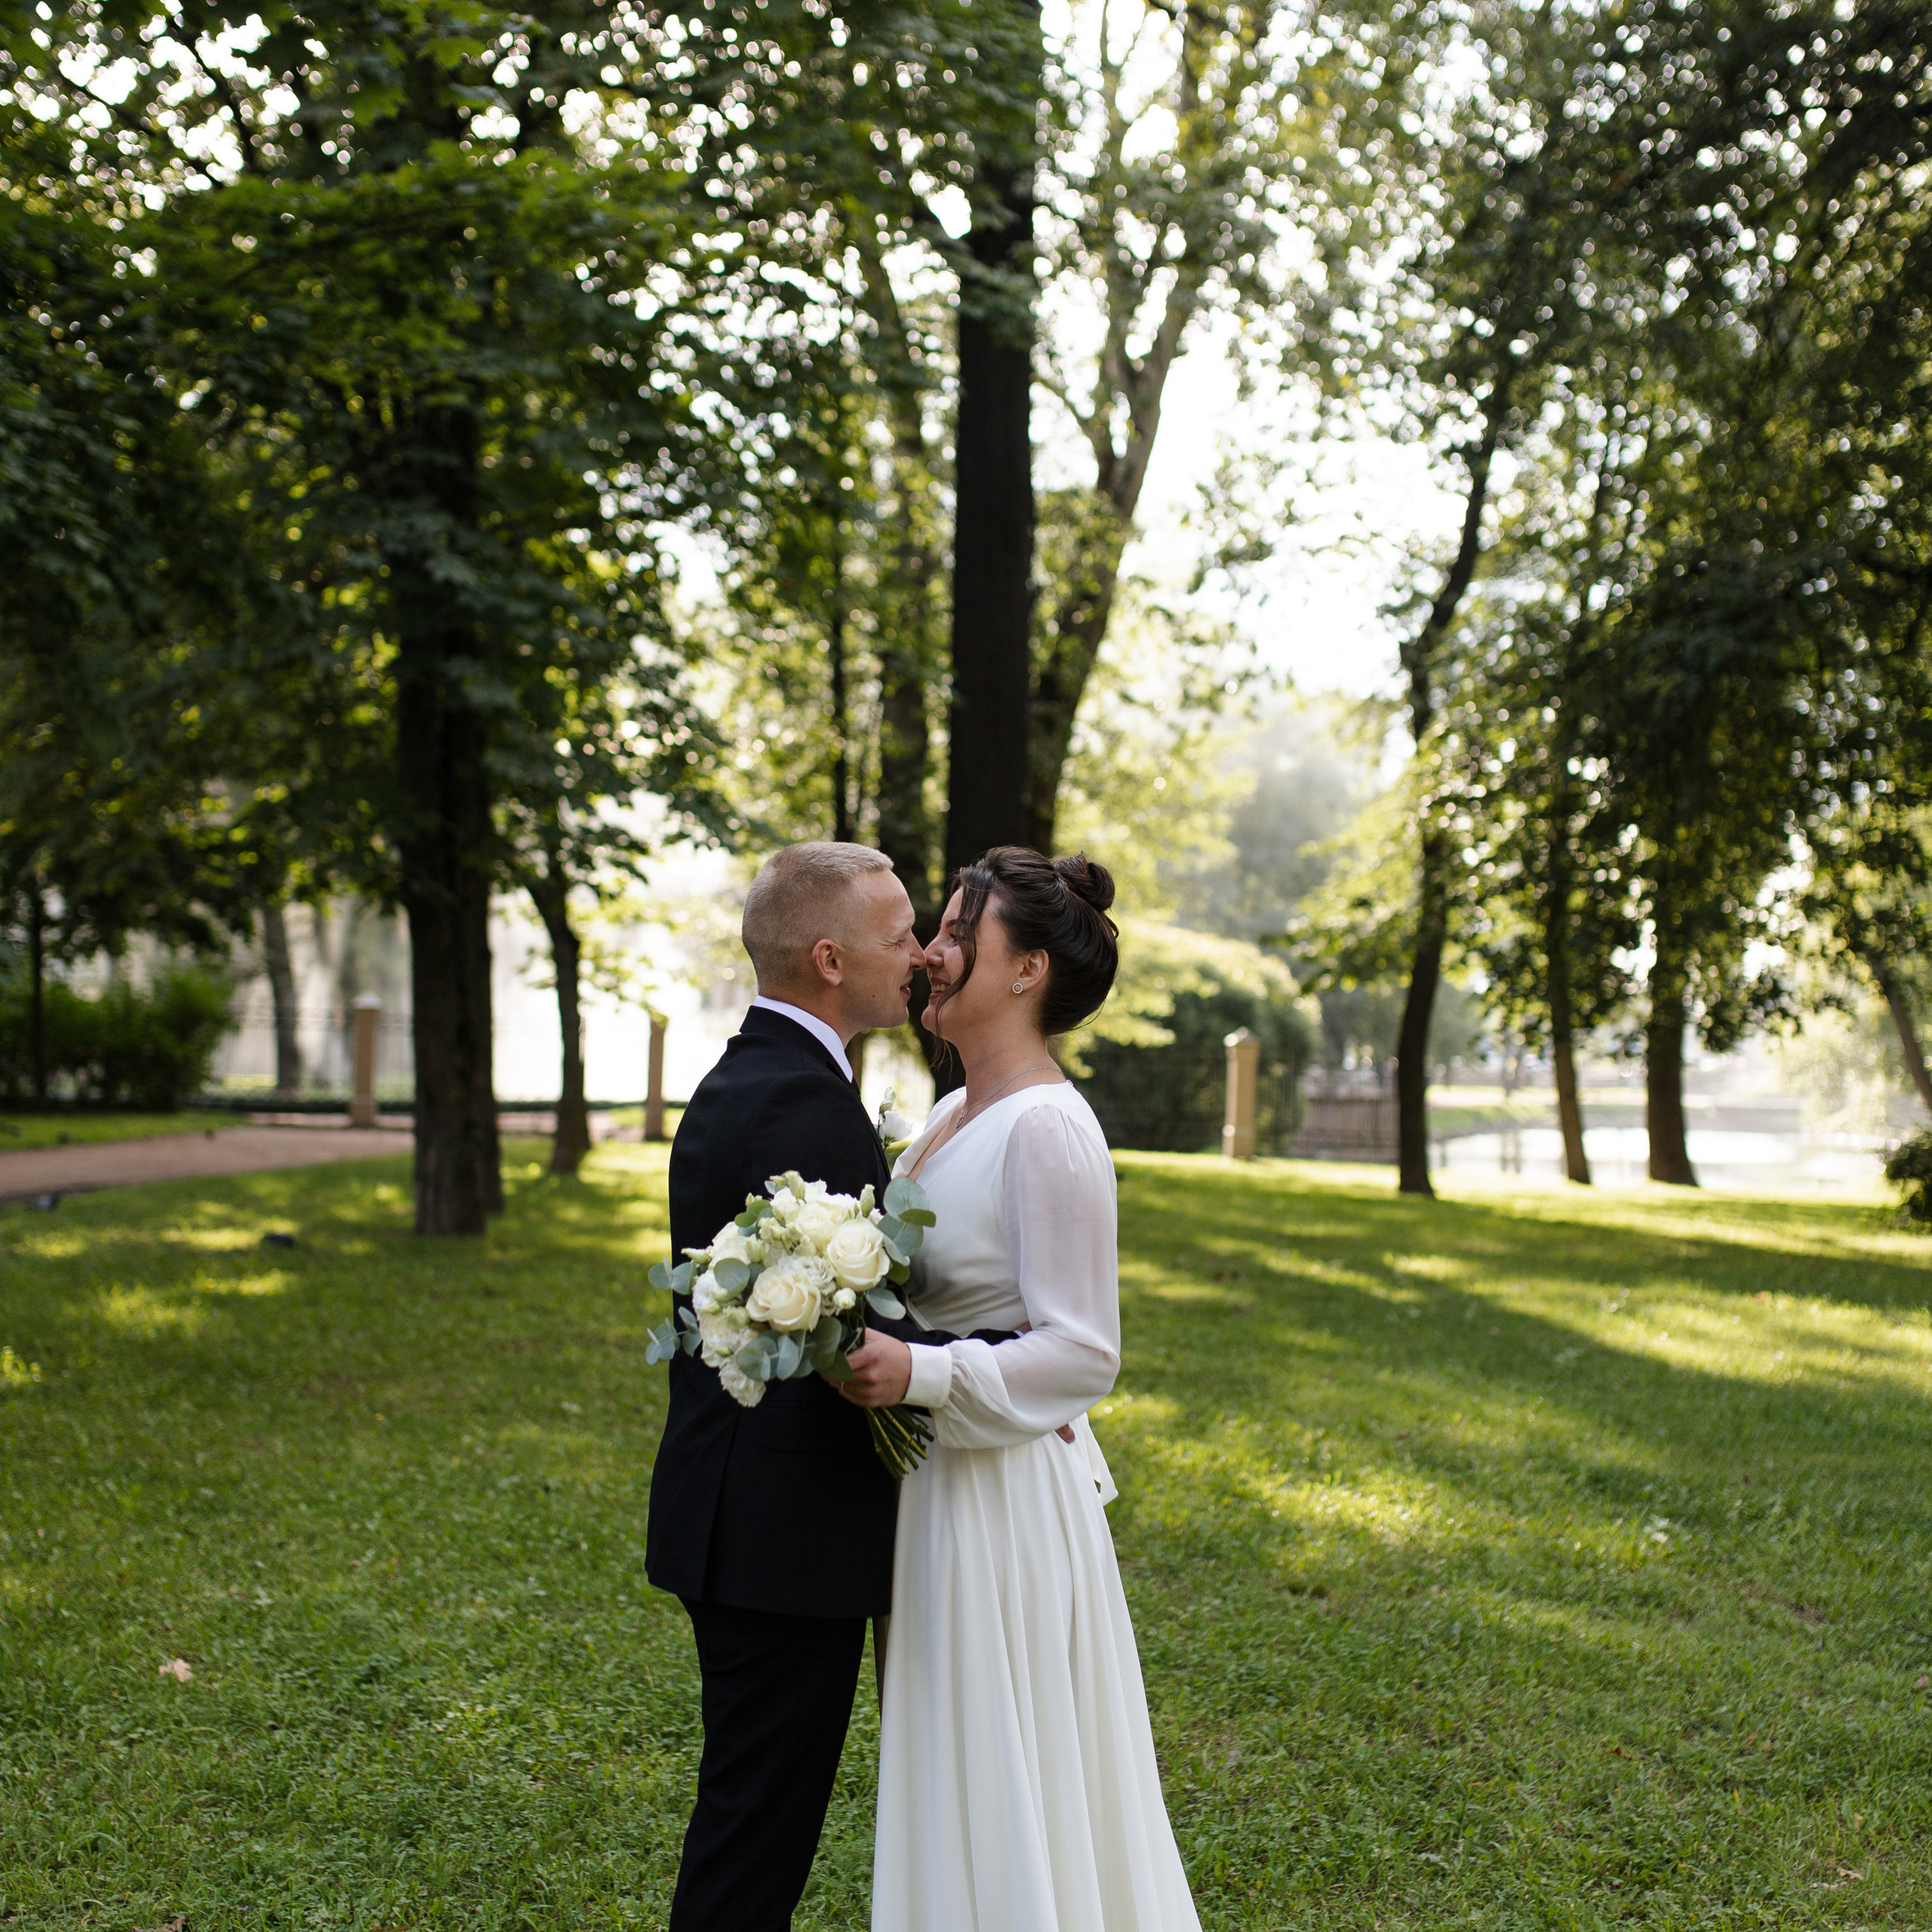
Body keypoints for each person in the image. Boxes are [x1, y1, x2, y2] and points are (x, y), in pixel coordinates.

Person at [645, 841, 1011, 1932]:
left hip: (744, 1513)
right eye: (900, 935)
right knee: (758, 1837)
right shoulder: (798, 1105)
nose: (922, 954)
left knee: (754, 1818)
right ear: (827, 958)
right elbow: (861, 1337)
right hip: (776, 1531)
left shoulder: (765, 1077)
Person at [837, 846, 1203, 1932]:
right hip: (939, 1492)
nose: (935, 954)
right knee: (955, 1758)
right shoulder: (953, 1116)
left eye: (959, 932)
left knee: (1004, 1764)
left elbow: (1086, 1352)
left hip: (1000, 1505)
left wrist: (921, 1370)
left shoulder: (1048, 1126)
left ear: (1028, 969)